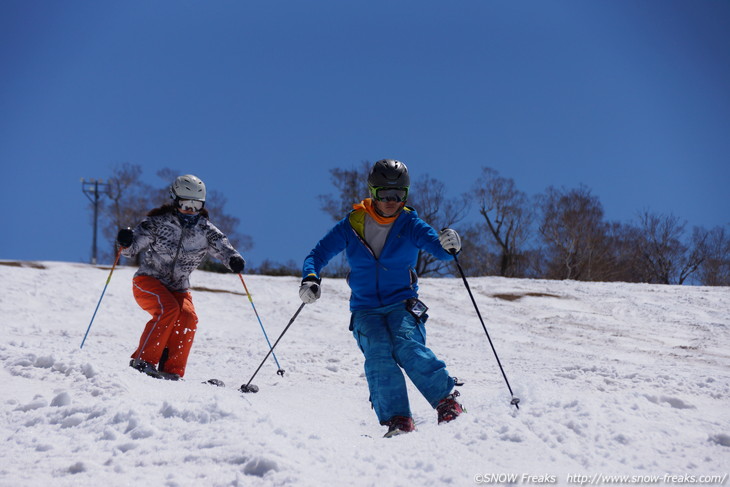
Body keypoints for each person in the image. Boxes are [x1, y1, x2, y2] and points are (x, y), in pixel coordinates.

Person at [299, 159, 464, 437]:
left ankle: (447, 402)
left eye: (399, 195)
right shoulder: (352, 225)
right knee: (377, 352)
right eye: (384, 194)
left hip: (402, 302)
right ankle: (397, 419)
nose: (391, 201)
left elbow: (440, 249)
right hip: (365, 308)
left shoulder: (410, 223)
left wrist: (450, 245)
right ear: (372, 192)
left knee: (406, 345)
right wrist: (311, 278)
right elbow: (316, 255)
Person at [116, 174, 245, 380]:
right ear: (175, 201)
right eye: (185, 204)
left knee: (188, 318)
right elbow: (130, 249)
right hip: (149, 281)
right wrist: (125, 241)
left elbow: (223, 247)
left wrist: (234, 259)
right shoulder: (158, 223)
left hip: (178, 288)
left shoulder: (205, 230)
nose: (190, 211)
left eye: (196, 206)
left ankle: (171, 370)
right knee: (169, 309)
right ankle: (143, 360)